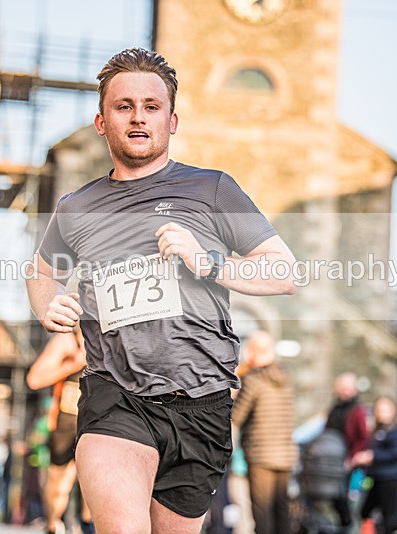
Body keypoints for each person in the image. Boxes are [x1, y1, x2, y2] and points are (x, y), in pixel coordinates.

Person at [26, 47, 297, 533]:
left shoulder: (213, 189)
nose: (138, 117)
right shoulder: (76, 207)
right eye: (123, 105)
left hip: (203, 403)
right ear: (101, 121)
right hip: (115, 395)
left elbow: (284, 273)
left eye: (152, 107)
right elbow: (40, 271)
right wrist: (48, 305)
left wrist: (207, 262)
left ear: (172, 122)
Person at [26, 328, 93, 534]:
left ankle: (88, 526)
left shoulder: (109, 339)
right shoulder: (66, 342)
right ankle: (53, 523)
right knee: (60, 481)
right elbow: (34, 379)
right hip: (66, 418)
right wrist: (74, 363)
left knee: (94, 477)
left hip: (94, 418)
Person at [232, 331, 297, 534]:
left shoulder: (253, 379)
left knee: (262, 513)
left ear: (252, 352)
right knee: (281, 509)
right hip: (285, 455)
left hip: (261, 455)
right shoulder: (284, 378)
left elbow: (236, 416)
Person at [352, 395, 397, 534]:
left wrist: (373, 456)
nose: (382, 412)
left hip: (390, 479)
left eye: (385, 409)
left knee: (389, 518)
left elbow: (395, 453)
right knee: (365, 511)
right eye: (379, 409)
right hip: (374, 478)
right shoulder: (376, 431)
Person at [324, 372, 368, 529]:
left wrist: (352, 458)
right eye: (342, 388)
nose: (345, 391)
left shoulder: (357, 411)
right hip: (331, 460)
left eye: (348, 388)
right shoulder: (335, 408)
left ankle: (348, 527)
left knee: (343, 499)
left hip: (347, 462)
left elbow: (363, 438)